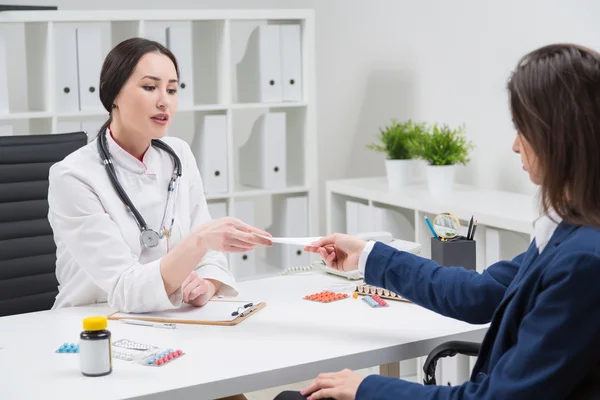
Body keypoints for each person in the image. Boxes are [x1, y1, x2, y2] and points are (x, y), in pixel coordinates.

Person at [276, 43, 600, 399]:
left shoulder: (583, 259)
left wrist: (366, 387)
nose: (514, 146)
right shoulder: (566, 233)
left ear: (557, 136)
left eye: (522, 129)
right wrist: (367, 256)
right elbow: (477, 293)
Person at [48, 37, 272, 314]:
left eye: (172, 89)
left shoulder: (178, 155)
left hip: (168, 316)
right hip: (93, 320)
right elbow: (124, 287)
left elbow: (210, 257)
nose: (164, 101)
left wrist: (208, 284)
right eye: (150, 87)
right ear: (113, 93)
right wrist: (199, 241)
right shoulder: (73, 176)